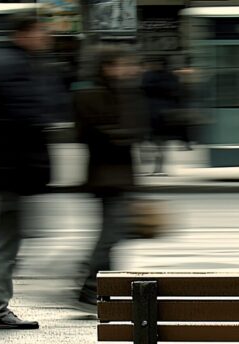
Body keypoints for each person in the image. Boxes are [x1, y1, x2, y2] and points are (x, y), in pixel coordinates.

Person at [0, 14, 64, 329]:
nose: (46, 37)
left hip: (12, 173)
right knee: (9, 242)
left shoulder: (14, 63)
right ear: (24, 34)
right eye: (41, 31)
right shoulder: (13, 66)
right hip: (13, 174)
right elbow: (29, 116)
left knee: (12, 240)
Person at [73, 46, 147, 307]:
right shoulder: (91, 95)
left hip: (120, 175)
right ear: (107, 67)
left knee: (114, 234)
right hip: (105, 177)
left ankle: (103, 287)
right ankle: (88, 285)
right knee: (110, 235)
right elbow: (96, 134)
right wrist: (121, 135)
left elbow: (137, 128)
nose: (130, 70)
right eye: (123, 65)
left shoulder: (124, 93)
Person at [140, 57, 180, 175]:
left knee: (157, 144)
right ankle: (157, 168)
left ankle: (157, 168)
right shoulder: (169, 77)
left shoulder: (149, 77)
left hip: (157, 115)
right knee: (158, 144)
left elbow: (143, 89)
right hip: (158, 114)